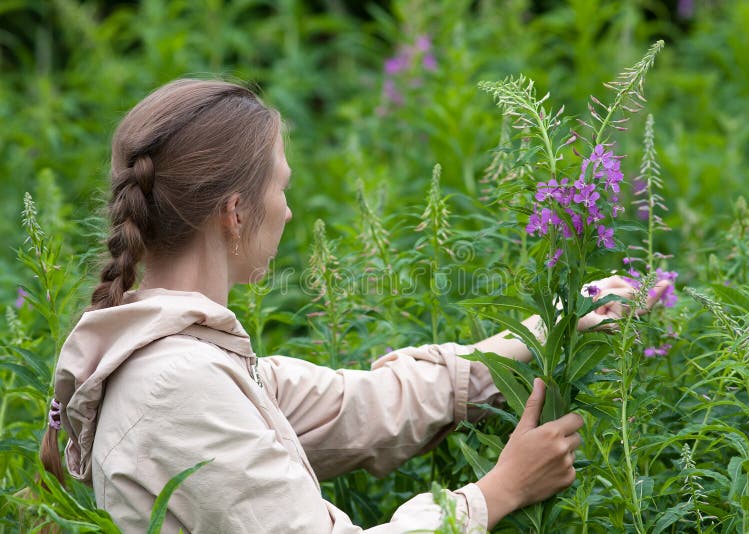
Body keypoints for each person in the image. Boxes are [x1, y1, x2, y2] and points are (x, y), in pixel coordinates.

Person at [41, 79, 662, 533]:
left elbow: (368, 405)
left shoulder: (192, 358)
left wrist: (551, 327)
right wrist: (497, 492)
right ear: (234, 214)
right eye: (281, 186)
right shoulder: (177, 386)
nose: (287, 210)